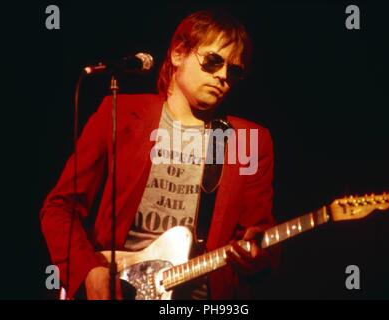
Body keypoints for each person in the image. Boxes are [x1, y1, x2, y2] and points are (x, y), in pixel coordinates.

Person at [40, 8, 280, 300]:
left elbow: (261, 239)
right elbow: (60, 208)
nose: (222, 76)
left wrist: (257, 255)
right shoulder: (120, 114)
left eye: (234, 71)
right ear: (178, 53)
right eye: (213, 61)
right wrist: (89, 270)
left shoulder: (246, 140)